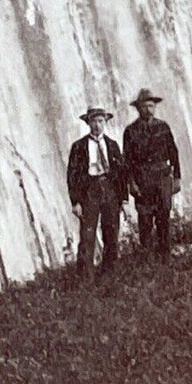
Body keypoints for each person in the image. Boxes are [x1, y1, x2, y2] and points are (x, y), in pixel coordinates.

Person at [66, 106, 126, 278]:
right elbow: (72, 175)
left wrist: (122, 199)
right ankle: (86, 279)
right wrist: (75, 201)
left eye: (101, 121)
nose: (97, 125)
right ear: (88, 123)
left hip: (109, 190)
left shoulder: (112, 145)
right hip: (89, 191)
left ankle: (110, 275)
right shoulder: (79, 147)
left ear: (105, 122)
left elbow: (121, 173)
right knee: (87, 234)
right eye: (94, 121)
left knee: (111, 232)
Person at [123, 87, 182, 256]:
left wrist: (177, 178)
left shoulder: (163, 127)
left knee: (163, 217)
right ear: (138, 108)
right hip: (143, 179)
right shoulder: (130, 131)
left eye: (151, 106)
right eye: (144, 107)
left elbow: (173, 152)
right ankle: (147, 259)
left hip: (162, 178)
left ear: (154, 107)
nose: (148, 110)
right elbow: (127, 161)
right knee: (145, 220)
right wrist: (131, 183)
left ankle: (165, 256)